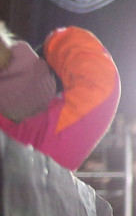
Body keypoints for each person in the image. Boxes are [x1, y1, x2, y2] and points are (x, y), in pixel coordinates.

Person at [0, 23, 119, 171]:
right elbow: (101, 81)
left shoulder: (31, 146)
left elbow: (100, 80)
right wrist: (51, 46)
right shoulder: (41, 149)